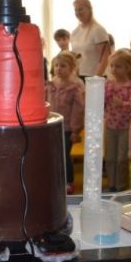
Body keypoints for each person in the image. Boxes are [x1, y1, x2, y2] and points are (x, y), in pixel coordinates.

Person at [46, 51, 85, 194]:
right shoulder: (51, 84)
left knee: (64, 154)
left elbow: (78, 109)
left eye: (63, 66)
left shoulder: (75, 86)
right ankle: (55, 179)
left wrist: (75, 130)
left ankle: (69, 181)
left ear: (72, 68)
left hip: (67, 127)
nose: (58, 69)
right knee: (52, 154)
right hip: (51, 125)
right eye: (56, 65)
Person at [104, 49, 131, 192]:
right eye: (112, 66)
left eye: (118, 66)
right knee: (110, 157)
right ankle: (111, 184)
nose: (114, 69)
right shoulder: (109, 84)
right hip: (110, 126)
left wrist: (122, 104)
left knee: (121, 158)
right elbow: (103, 99)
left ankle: (121, 186)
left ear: (127, 68)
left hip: (126, 127)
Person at [71, 0, 110, 79]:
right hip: (78, 75)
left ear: (89, 9)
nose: (78, 13)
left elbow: (105, 56)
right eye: (76, 10)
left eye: (80, 9)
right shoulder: (75, 32)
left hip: (95, 75)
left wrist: (97, 77)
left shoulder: (98, 30)